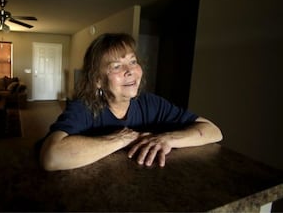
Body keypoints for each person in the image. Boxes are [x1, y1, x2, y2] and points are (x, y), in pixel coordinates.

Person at [39, 33, 222, 171]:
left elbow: (213, 131)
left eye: (133, 61)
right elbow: (51, 156)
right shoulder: (83, 107)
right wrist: (121, 139)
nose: (130, 71)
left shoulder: (152, 103)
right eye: (116, 66)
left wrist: (167, 138)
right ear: (98, 80)